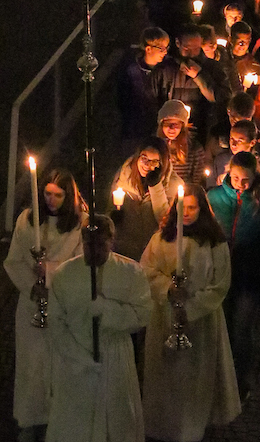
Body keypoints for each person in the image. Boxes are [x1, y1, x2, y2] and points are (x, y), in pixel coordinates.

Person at [141, 187, 241, 441]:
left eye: (192, 208)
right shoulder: (161, 239)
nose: (186, 213)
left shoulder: (214, 243)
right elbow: (147, 270)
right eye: (182, 207)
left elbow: (220, 284)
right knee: (166, 377)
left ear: (202, 210)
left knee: (194, 380)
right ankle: (162, 426)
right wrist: (167, 290)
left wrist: (190, 308)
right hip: (165, 317)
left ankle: (190, 429)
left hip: (200, 323)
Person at [46, 214, 152, 442]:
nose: (93, 251)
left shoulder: (131, 272)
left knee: (117, 422)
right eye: (88, 244)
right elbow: (55, 321)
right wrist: (78, 357)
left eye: (100, 244)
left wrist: (108, 310)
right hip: (76, 359)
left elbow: (142, 314)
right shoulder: (64, 275)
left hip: (115, 356)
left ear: (111, 241)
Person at [4, 170, 87, 442]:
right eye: (47, 193)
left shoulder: (79, 224)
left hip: (63, 305)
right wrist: (33, 286)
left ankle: (59, 420)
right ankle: (29, 419)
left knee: (60, 365)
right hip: (32, 304)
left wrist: (49, 273)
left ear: (69, 196)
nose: (51, 200)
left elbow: (81, 265)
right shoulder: (27, 221)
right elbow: (14, 260)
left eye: (58, 195)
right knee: (31, 366)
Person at [207, 152, 260, 398]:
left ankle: (241, 377)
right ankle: (220, 375)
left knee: (241, 328)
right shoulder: (214, 197)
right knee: (223, 325)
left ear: (255, 177)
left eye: (246, 179)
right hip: (220, 271)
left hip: (250, 274)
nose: (240, 183)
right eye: (236, 177)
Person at [110, 137, 179, 262]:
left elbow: (166, 221)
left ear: (162, 163)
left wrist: (156, 187)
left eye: (154, 161)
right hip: (125, 252)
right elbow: (109, 208)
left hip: (154, 255)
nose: (147, 165)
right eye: (144, 158)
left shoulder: (173, 186)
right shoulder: (123, 178)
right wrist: (114, 216)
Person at [151, 26, 216, 142]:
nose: (192, 53)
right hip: (168, 130)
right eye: (187, 48)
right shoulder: (164, 69)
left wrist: (198, 76)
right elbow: (152, 100)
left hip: (197, 129)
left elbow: (214, 97)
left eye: (196, 48)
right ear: (177, 43)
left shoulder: (209, 68)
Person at [116, 27, 168, 149]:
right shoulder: (131, 71)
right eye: (161, 48)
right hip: (134, 129)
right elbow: (123, 99)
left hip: (159, 128)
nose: (165, 52)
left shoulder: (167, 69)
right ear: (148, 49)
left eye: (166, 48)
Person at [156, 100, 207, 185]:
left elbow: (196, 182)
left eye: (176, 124)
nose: (171, 128)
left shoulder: (195, 149)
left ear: (182, 126)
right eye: (167, 123)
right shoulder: (154, 147)